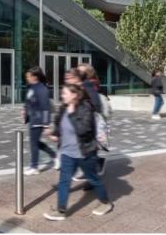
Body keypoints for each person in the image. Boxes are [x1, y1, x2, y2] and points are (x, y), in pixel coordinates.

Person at [43, 83, 113, 221]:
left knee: (93, 179)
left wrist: (71, 113)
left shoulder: (85, 109)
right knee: (64, 181)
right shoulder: (63, 108)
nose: (62, 95)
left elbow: (84, 129)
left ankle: (106, 202)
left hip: (85, 153)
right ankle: (61, 210)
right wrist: (53, 133)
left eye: (65, 93)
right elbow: (59, 126)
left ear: (74, 95)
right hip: (67, 153)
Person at [23, 66, 55, 174]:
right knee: (35, 142)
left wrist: (46, 124)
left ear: (35, 77)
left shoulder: (41, 89)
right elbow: (29, 101)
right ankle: (54, 155)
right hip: (33, 118)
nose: (27, 78)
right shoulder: (32, 87)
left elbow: (46, 107)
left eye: (28, 76)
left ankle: (34, 167)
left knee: (34, 144)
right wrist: (25, 109)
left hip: (39, 120)